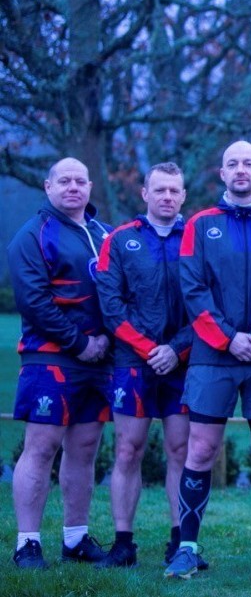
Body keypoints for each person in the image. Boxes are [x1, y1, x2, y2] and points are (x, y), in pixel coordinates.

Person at [165, 141, 251, 579]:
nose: (241, 170)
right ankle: (186, 546)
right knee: (199, 449)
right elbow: (192, 289)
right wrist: (226, 338)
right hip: (211, 356)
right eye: (232, 163)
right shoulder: (200, 225)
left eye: (248, 163)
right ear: (222, 173)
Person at [8, 158, 113, 568]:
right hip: (50, 359)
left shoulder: (104, 234)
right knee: (42, 447)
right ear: (48, 187)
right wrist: (78, 342)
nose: (73, 187)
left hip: (98, 360)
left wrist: (107, 340)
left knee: (85, 449)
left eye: (80, 181)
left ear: (89, 187)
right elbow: (33, 302)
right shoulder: (32, 235)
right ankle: (27, 543)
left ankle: (75, 538)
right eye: (64, 181)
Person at [95, 162, 195, 568]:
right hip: (132, 362)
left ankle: (180, 543)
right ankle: (123, 543)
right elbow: (111, 306)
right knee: (128, 450)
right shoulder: (120, 240)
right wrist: (149, 348)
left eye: (174, 190)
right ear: (145, 194)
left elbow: (209, 304)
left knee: (181, 450)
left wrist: (177, 349)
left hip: (185, 363)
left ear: (183, 196)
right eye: (160, 190)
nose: (167, 196)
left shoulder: (198, 238)